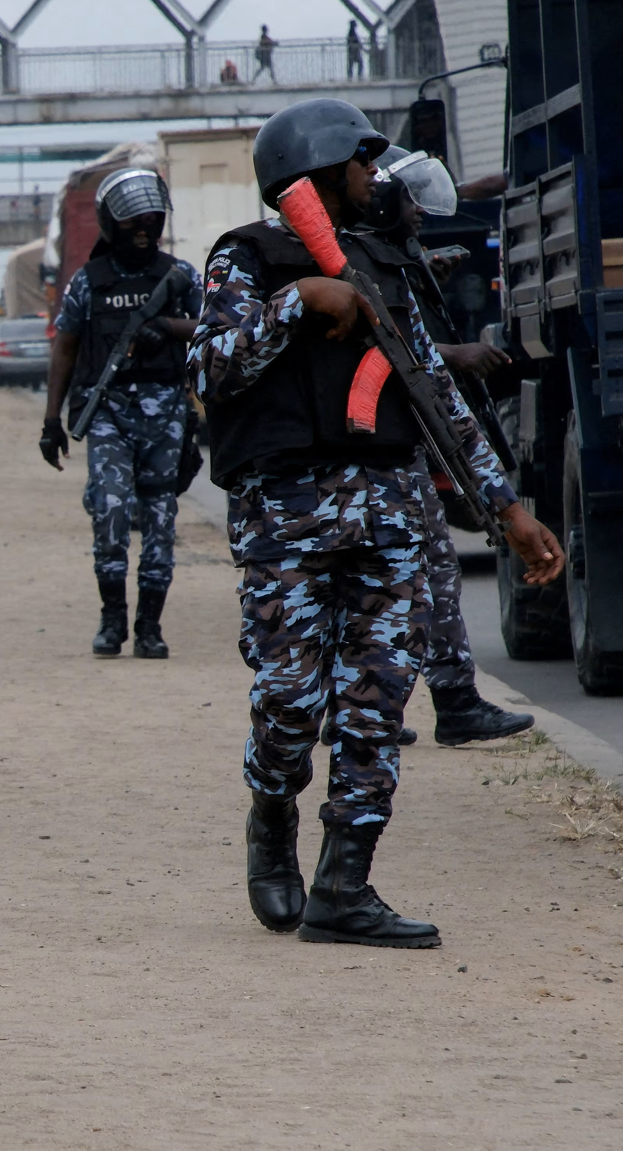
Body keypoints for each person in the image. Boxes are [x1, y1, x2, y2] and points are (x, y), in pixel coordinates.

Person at [189, 98, 564, 948]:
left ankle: (343, 884)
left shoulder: (382, 265)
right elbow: (209, 364)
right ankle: (271, 817)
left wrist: (506, 510)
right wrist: (298, 304)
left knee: (376, 699)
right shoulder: (247, 257)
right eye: (361, 164)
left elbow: (433, 393)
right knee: (288, 699)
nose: (374, 177)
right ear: (318, 172)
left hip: (390, 513)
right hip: (286, 518)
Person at [357, 148, 535, 746]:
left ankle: (446, 702)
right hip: (367, 456)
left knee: (430, 576)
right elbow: (384, 348)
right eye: (408, 203)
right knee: (378, 588)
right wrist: (456, 357)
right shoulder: (350, 261)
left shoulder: (391, 257)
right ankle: (366, 710)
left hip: (405, 448)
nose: (418, 214)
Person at [39, 167, 201, 659]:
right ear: (113, 225)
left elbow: (215, 328)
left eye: (151, 222)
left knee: (159, 519)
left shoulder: (181, 276)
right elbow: (64, 348)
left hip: (168, 411)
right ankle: (113, 621)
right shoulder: (89, 282)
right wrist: (51, 421)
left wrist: (169, 328)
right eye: (134, 225)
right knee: (110, 512)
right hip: (109, 411)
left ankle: (149, 626)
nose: (144, 232)